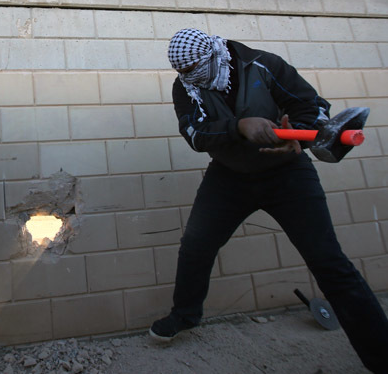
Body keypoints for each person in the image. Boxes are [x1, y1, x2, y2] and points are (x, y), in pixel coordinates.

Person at [149, 28, 388, 374]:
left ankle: (380, 356)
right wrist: (239, 126)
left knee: (329, 263)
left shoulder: (263, 64)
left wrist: (299, 137)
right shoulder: (185, 86)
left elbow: (310, 106)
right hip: (229, 177)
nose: (189, 77)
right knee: (196, 246)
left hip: (288, 174)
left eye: (194, 68)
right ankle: (184, 316)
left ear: (216, 53)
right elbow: (196, 134)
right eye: (183, 72)